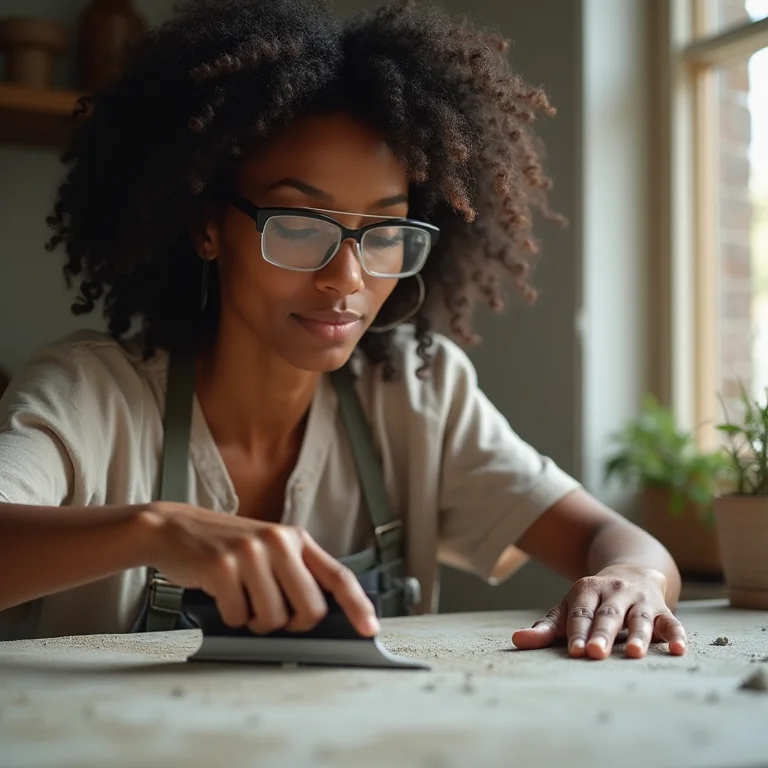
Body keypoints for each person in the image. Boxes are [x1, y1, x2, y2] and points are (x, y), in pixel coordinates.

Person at [0, 0, 686, 660]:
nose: (347, 279)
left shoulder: (419, 391)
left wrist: (635, 581)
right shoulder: (89, 395)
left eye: (385, 231)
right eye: (299, 225)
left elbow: (613, 538)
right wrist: (157, 530)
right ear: (207, 226)